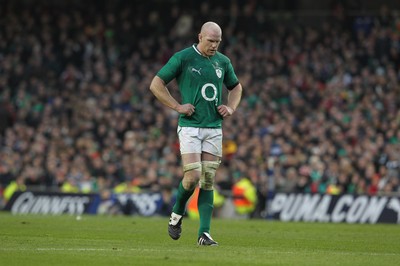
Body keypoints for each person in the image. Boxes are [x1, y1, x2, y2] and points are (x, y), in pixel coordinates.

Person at [149, 21, 243, 246]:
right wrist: (177, 106)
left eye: (218, 42)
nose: (214, 46)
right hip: (190, 127)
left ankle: (204, 233)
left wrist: (230, 107)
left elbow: (236, 87)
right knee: (191, 178)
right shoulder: (183, 57)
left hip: (213, 128)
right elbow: (156, 84)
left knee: (208, 179)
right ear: (199, 36)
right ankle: (176, 214)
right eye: (210, 41)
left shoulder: (223, 61)